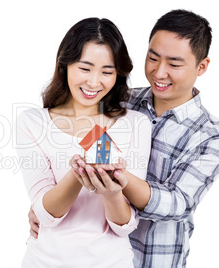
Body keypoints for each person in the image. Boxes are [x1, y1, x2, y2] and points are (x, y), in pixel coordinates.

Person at [29, 10, 219, 268]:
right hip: (95, 257)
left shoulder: (211, 136)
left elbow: (177, 204)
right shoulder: (119, 102)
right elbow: (58, 145)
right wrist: (44, 204)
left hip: (155, 258)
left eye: (174, 64)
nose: (159, 72)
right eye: (153, 58)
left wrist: (117, 179)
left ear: (201, 66)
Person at [16, 18, 151, 267]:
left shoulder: (136, 123)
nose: (93, 82)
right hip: (44, 261)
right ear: (65, 64)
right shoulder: (32, 122)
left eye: (107, 72)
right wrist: (76, 174)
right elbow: (45, 215)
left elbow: (125, 226)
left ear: (118, 74)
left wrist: (112, 193)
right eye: (85, 68)